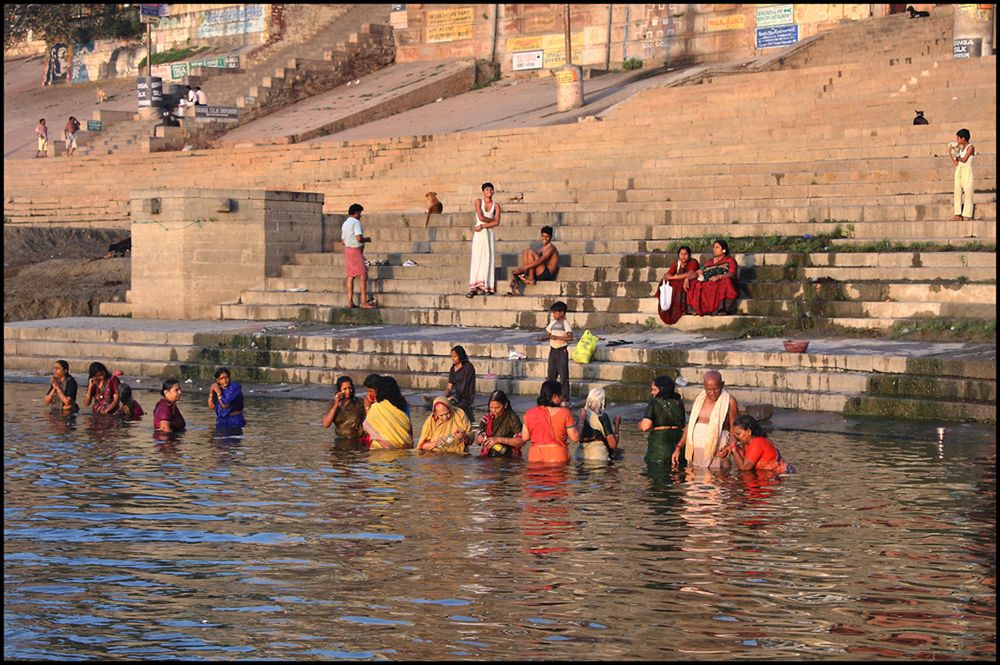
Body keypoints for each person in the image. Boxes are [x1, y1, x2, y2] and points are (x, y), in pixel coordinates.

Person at [671, 370, 739, 469]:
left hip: (718, 451)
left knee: (717, 481)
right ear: (704, 386)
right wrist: (678, 447)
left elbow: (736, 430)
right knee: (694, 481)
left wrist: (728, 448)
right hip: (696, 451)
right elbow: (690, 426)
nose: (712, 393)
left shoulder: (730, 401)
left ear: (722, 384)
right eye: (709, 390)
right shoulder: (699, 399)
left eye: (716, 389)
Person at [521, 380, 579, 464]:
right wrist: (581, 422)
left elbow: (525, 437)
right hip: (557, 456)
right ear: (555, 397)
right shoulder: (564, 413)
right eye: (561, 395)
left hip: (535, 456)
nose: (562, 398)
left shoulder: (529, 413)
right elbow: (575, 438)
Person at [717, 414, 793, 474]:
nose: (736, 437)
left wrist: (733, 448)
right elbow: (746, 458)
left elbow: (745, 468)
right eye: (735, 434)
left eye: (738, 434)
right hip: (772, 474)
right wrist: (729, 449)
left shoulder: (758, 442)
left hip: (782, 474)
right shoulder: (747, 442)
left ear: (749, 432)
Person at [639, 376, 686, 467]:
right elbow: (683, 424)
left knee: (657, 474)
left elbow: (645, 427)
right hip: (678, 443)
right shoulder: (679, 402)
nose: (652, 393)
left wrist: (640, 425)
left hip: (660, 445)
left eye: (654, 390)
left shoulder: (654, 402)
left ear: (662, 389)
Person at [687, 239, 739, 316]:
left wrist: (719, 276)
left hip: (721, 281)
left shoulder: (730, 260)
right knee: (693, 283)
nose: (714, 249)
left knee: (726, 281)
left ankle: (722, 309)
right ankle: (695, 308)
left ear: (724, 250)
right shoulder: (709, 262)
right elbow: (698, 272)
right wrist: (687, 278)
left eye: (717, 247)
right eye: (714, 247)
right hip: (707, 281)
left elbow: (732, 273)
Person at [467, 182, 501, 297]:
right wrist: (491, 222)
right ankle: (474, 287)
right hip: (479, 234)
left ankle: (487, 287)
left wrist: (482, 226)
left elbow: (497, 222)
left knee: (488, 258)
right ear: (483, 191)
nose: (489, 192)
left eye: (491, 190)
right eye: (487, 190)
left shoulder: (496, 205)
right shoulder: (478, 201)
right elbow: (481, 217)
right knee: (477, 258)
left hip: (487, 232)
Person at [506, 226, 559, 295]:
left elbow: (540, 260)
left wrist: (522, 268)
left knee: (530, 251)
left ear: (551, 237)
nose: (544, 238)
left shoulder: (551, 248)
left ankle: (531, 278)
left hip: (546, 274)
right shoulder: (543, 247)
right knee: (526, 252)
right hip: (540, 272)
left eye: (547, 237)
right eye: (543, 236)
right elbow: (533, 258)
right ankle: (525, 275)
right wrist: (520, 271)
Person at [362, 376, 413, 449]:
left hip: (380, 451)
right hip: (403, 448)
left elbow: (367, 427)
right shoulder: (403, 405)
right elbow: (409, 430)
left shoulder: (377, 407)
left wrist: (367, 407)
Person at [538, 300, 572, 406]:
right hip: (553, 350)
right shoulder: (552, 323)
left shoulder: (565, 324)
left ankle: (565, 398)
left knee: (563, 376)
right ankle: (550, 396)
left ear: (562, 313)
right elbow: (548, 334)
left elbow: (569, 337)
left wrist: (557, 337)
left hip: (561, 350)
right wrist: (543, 338)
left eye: (556, 313)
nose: (554, 315)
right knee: (551, 375)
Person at [341, 203, 375, 309]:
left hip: (347, 250)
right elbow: (359, 238)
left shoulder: (345, 223)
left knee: (351, 276)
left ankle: (350, 302)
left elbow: (343, 241)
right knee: (363, 275)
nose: (360, 215)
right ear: (356, 212)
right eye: (360, 213)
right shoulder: (356, 222)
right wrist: (367, 239)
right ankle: (364, 302)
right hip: (355, 251)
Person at [655, 245, 700, 325]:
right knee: (664, 282)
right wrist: (668, 276)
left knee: (678, 284)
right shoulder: (677, 263)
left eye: (685, 254)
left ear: (689, 255)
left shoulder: (693, 262)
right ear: (678, 255)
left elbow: (690, 273)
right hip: (677, 280)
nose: (683, 256)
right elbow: (668, 274)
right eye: (681, 254)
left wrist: (674, 277)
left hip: (688, 280)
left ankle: (681, 308)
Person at [475, 389, 524, 457]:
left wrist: (499, 440)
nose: (493, 410)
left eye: (497, 407)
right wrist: (479, 439)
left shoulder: (512, 419)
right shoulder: (487, 418)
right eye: (491, 407)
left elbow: (521, 441)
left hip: (507, 458)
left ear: (505, 405)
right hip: (488, 458)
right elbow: (477, 438)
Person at [577, 387, 622, 461]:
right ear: (602, 401)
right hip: (598, 455)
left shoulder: (581, 415)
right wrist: (617, 425)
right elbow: (613, 445)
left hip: (580, 454)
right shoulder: (602, 417)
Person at [323, 375, 366, 439]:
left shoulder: (359, 402)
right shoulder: (333, 404)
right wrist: (335, 406)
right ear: (339, 390)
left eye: (350, 388)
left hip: (357, 440)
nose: (348, 391)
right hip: (340, 439)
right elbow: (326, 424)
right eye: (345, 389)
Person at [443, 345, 476, 421]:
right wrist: (444, 396)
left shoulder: (468, 367)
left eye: (455, 356)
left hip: (464, 397)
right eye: (451, 356)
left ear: (460, 356)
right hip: (454, 395)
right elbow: (450, 384)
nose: (452, 358)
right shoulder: (453, 367)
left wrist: (451, 398)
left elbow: (463, 387)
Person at [950, 128, 975, 223]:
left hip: (967, 171)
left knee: (968, 193)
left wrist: (956, 155)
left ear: (963, 138)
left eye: (958, 138)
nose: (957, 140)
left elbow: (964, 159)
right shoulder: (960, 149)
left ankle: (967, 215)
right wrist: (951, 153)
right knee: (957, 193)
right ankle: (958, 214)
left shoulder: (970, 147)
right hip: (959, 170)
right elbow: (956, 163)